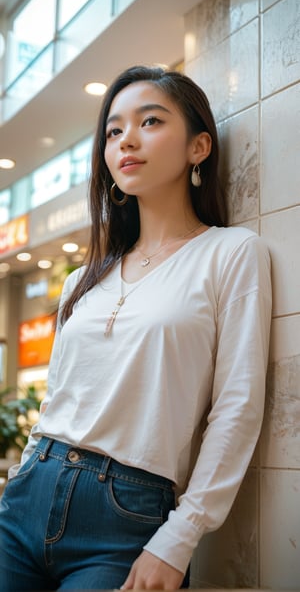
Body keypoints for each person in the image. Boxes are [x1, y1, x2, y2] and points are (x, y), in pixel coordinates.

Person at [0, 65, 272, 591]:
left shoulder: (231, 252)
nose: (127, 140)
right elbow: (56, 396)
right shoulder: (83, 277)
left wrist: (179, 537)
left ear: (199, 147)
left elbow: (238, 405)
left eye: (150, 121)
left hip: (128, 514)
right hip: (29, 493)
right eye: (114, 130)